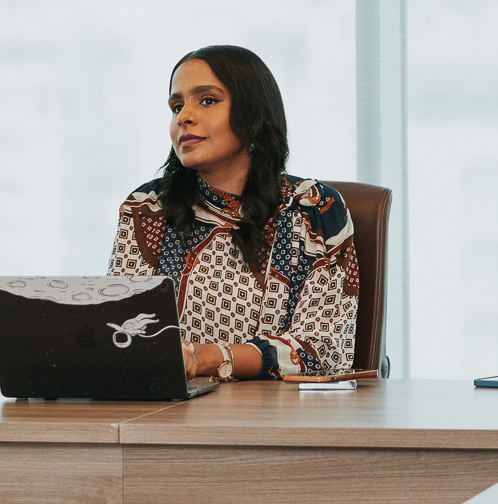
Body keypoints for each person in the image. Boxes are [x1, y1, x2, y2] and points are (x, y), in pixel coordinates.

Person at [106, 45, 359, 381]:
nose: (183, 117)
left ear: (253, 116)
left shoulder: (313, 209)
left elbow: (323, 349)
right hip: (167, 406)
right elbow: (122, 332)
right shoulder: (148, 207)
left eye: (207, 100)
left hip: (277, 409)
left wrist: (211, 358)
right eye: (177, 106)